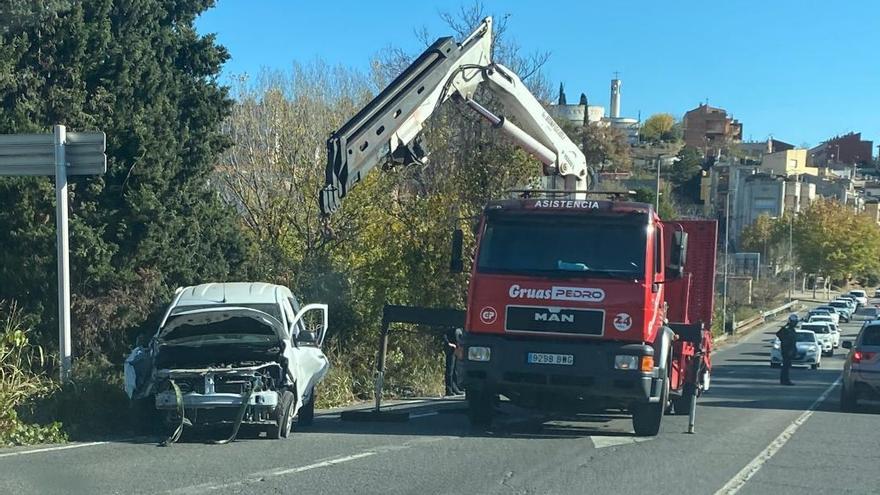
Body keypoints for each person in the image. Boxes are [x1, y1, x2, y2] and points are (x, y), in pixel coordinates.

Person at [776, 314, 798, 386]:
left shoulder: (792, 329)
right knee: (786, 366)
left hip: (790, 349)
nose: (795, 323)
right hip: (786, 350)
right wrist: (784, 342)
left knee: (787, 366)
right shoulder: (786, 329)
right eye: (794, 322)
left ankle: (785, 380)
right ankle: (785, 380)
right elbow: (778, 334)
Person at [444, 327, 463, 396]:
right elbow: (444, 335)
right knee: (450, 371)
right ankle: (448, 390)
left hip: (456, 350)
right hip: (451, 350)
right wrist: (449, 343)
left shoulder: (458, 328)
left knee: (455, 370)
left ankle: (455, 388)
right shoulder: (449, 327)